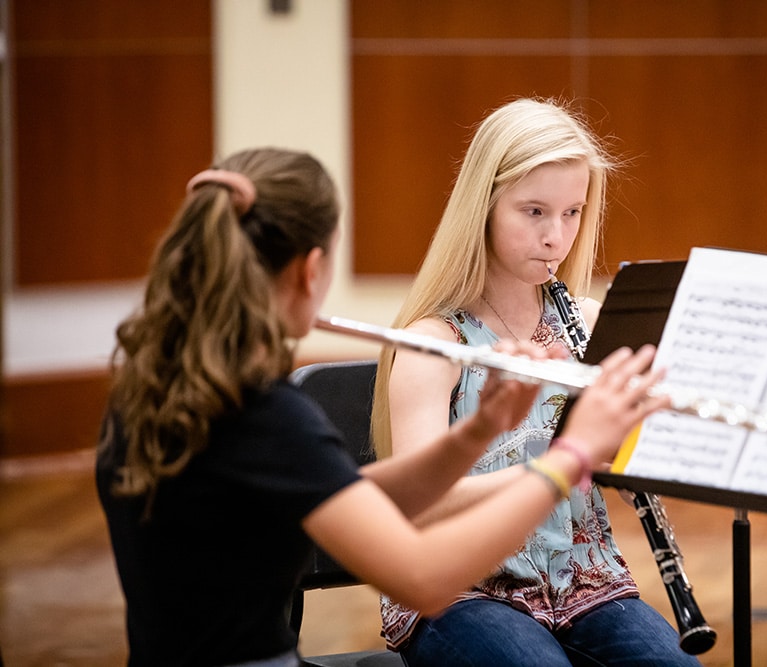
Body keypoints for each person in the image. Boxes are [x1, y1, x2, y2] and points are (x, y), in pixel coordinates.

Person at [96, 147, 671, 667]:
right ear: (311, 269)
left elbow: (351, 491)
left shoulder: (153, 398)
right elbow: (423, 581)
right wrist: (567, 457)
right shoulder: (270, 423)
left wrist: (479, 433)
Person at [371, 99, 703, 666]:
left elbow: (627, 460)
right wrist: (561, 465)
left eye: (572, 212)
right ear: (484, 207)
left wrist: (637, 447)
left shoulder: (592, 325)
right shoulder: (436, 342)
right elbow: (420, 506)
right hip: (460, 589)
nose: (557, 236)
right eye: (534, 212)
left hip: (587, 585)